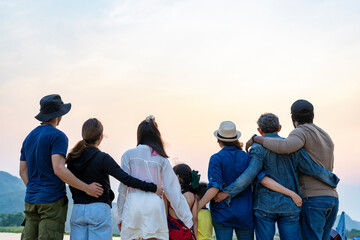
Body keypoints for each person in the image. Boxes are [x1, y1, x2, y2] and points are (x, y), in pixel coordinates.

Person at [214, 113, 339, 240]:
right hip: (290, 204)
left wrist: (228, 192)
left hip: (264, 206)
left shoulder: (257, 148)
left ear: (259, 130)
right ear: (279, 128)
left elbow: (249, 175)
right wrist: (330, 178)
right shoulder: (293, 147)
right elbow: (311, 168)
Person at [248, 100, 339, 240]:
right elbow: (310, 166)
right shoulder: (325, 135)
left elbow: (285, 146)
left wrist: (257, 139)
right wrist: (330, 178)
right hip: (331, 198)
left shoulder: (300, 132)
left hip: (313, 199)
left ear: (292, 118)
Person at [19, 94, 103, 240]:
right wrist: (86, 187)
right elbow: (58, 168)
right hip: (51, 201)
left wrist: (35, 190)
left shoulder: (29, 137)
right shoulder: (58, 136)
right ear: (59, 115)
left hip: (31, 201)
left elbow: (22, 171)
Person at [66, 118, 164, 240]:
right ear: (100, 137)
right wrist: (153, 187)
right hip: (98, 209)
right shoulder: (103, 158)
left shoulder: (72, 158)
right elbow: (126, 179)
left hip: (77, 209)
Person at [116, 115, 193, 240]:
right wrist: (188, 220)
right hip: (154, 204)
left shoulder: (128, 155)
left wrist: (119, 215)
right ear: (156, 136)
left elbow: (123, 187)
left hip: (133, 204)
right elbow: (173, 191)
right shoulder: (161, 159)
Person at [197, 121, 254, 240]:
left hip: (223, 212)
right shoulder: (247, 157)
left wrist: (198, 206)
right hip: (245, 212)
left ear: (218, 140)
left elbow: (215, 187)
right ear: (236, 139)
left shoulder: (216, 158)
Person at [165, 164, 199, 240]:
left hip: (173, 233)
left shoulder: (170, 194)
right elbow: (195, 218)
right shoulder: (192, 196)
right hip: (187, 233)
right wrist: (195, 236)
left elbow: (165, 216)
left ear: (176, 177)